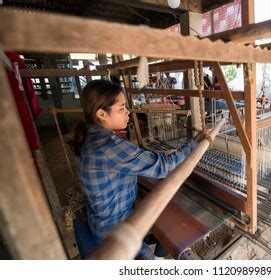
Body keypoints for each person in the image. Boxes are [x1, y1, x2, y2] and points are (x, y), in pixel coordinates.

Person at [69, 79, 211, 259]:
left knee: (163, 225)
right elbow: (165, 168)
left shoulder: (90, 138)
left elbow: (126, 159)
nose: (127, 112)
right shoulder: (108, 147)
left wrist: (155, 155)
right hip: (114, 236)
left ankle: (160, 247)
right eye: (121, 108)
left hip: (101, 222)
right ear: (101, 114)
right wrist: (196, 143)